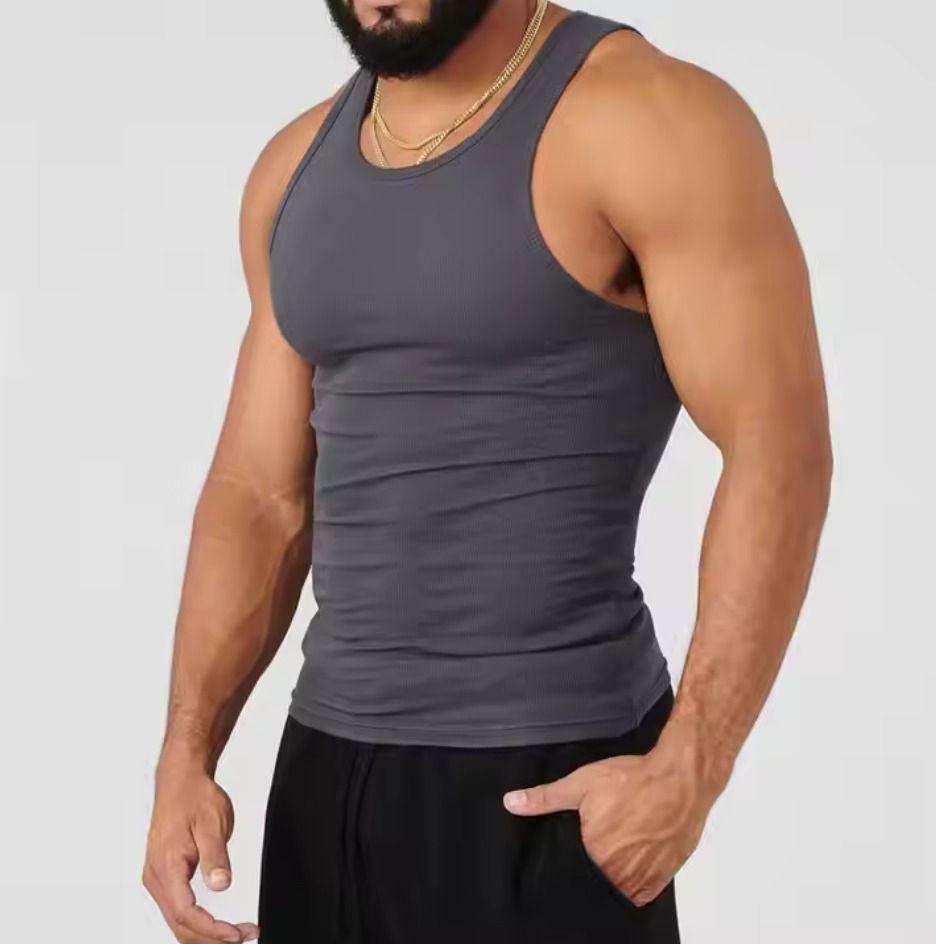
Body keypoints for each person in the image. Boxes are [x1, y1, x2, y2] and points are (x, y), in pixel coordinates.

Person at [142, 1, 833, 941]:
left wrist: (693, 766)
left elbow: (779, 443)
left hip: (547, 777)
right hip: (327, 775)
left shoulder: (647, 119)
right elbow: (258, 494)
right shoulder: (293, 170)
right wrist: (186, 754)